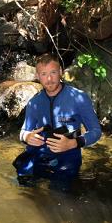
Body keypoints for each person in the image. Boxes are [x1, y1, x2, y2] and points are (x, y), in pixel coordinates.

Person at [15, 53, 102, 184]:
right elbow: (23, 132)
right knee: (24, 184)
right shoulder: (34, 103)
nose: (49, 79)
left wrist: (73, 143)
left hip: (68, 154)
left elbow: (96, 131)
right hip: (40, 153)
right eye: (44, 74)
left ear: (60, 72)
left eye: (53, 72)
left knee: (60, 194)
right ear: (38, 76)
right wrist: (26, 137)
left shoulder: (78, 98)